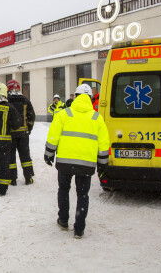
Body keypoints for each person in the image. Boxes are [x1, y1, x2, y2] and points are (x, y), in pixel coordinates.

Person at [44, 84, 110, 238]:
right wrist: (102, 163)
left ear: (75, 95)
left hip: (65, 162)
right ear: (90, 98)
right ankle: (79, 228)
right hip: (86, 164)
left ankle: (63, 220)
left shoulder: (64, 114)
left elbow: (53, 136)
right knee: (82, 195)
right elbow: (103, 143)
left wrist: (49, 154)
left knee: (63, 190)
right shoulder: (96, 117)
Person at [6, 79, 36, 185]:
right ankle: (28, 177)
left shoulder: (7, 100)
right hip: (23, 134)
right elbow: (31, 116)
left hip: (10, 134)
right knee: (25, 156)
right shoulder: (25, 100)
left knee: (11, 157)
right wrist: (29, 128)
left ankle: (12, 179)